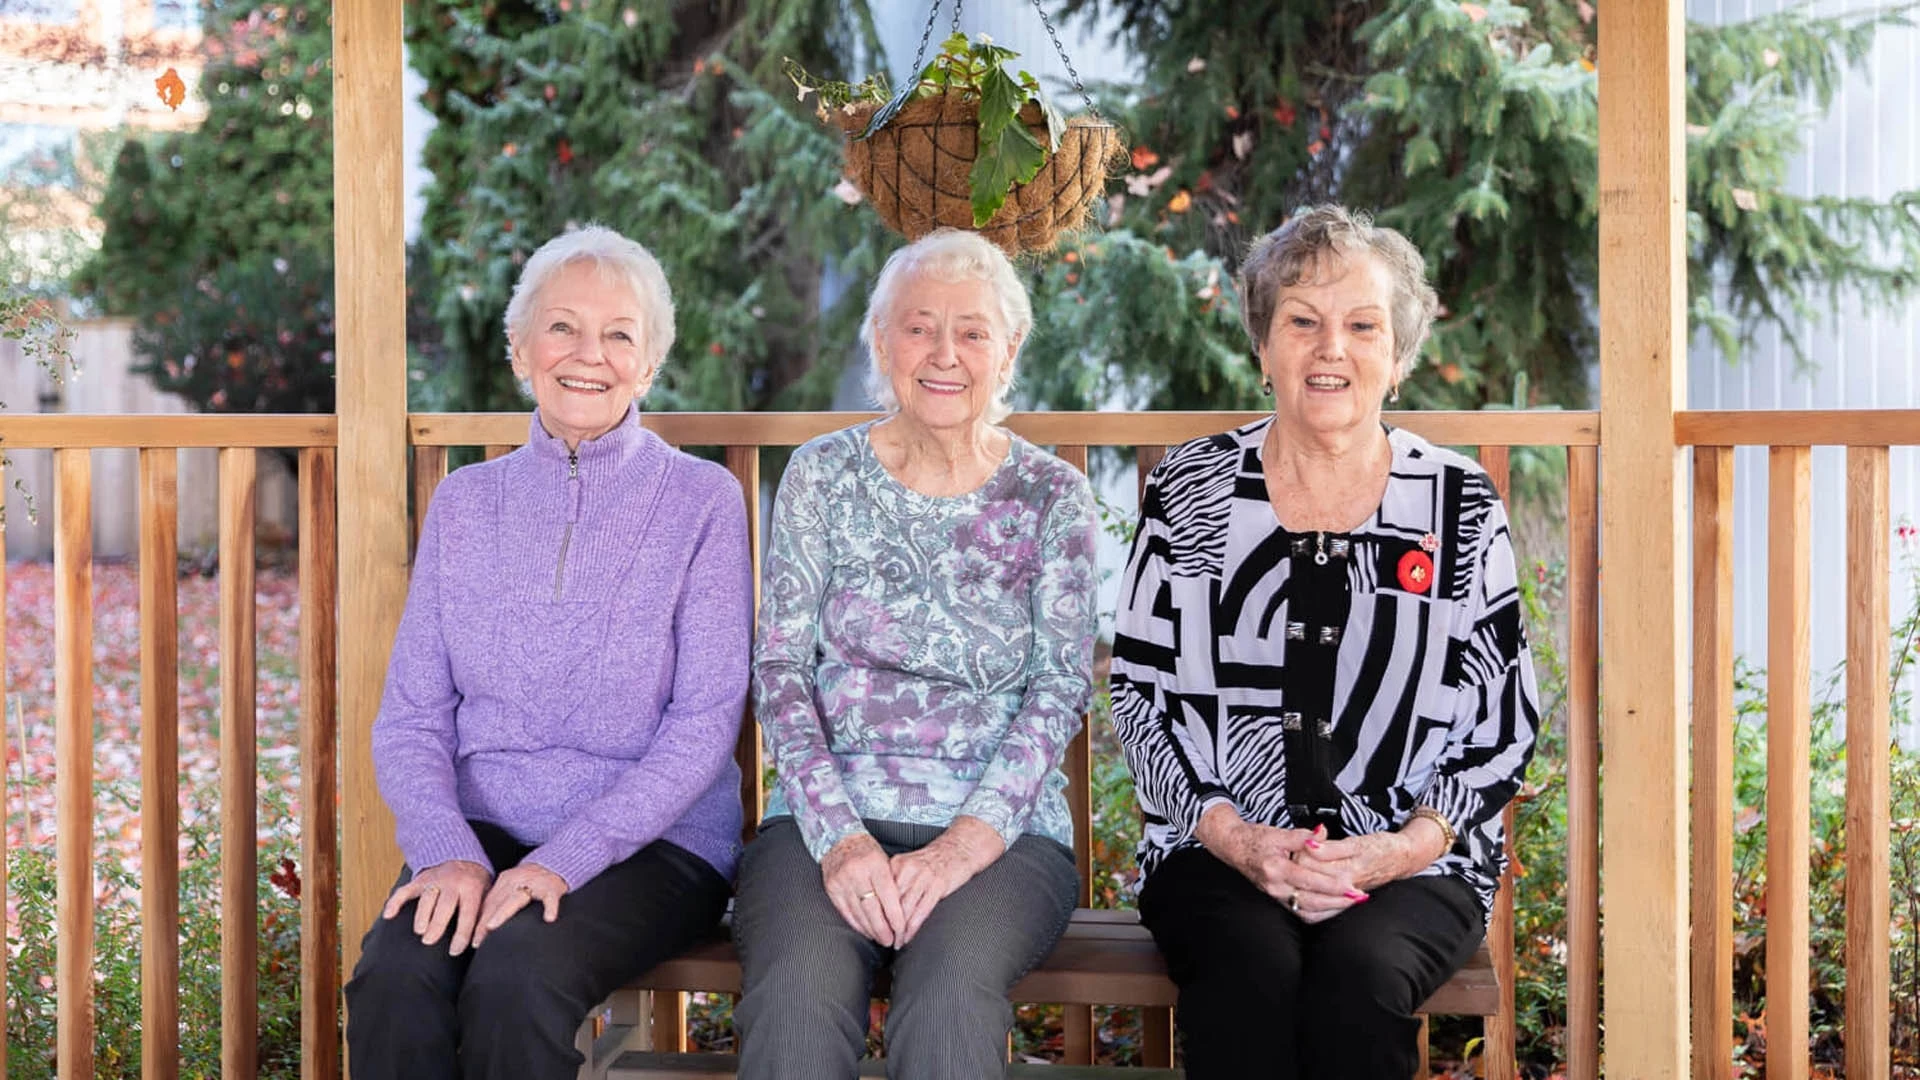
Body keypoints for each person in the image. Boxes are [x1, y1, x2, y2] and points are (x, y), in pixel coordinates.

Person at [1109, 204, 1540, 1079]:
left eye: (1361, 326)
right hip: (1214, 847)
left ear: (1399, 355)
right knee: (1245, 970)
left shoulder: (1456, 504)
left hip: (1416, 856)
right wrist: (1238, 839)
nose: (1330, 348)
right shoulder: (1192, 489)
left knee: (1362, 976)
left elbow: (1502, 723)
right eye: (1301, 322)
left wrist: (1399, 849)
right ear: (1264, 347)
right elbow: (1140, 694)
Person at [344, 225, 751, 1080]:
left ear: (649, 365)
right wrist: (446, 849)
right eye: (561, 327)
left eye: (619, 334)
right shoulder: (464, 504)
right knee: (394, 978)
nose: (588, 355)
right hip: (482, 829)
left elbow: (705, 723)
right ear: (520, 351)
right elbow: (413, 717)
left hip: (654, 844)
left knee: (517, 978)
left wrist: (562, 860)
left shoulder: (703, 502)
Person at [732, 228, 1098, 1080]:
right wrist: (842, 840)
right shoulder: (822, 477)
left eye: (971, 331)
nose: (944, 353)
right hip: (827, 818)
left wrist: (959, 848)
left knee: (948, 997)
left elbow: (1057, 691)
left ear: (1008, 350)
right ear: (881, 342)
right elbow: (780, 672)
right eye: (918, 326)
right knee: (793, 993)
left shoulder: (1053, 496)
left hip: (999, 833)